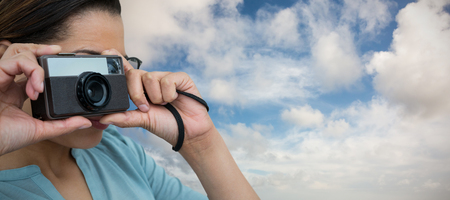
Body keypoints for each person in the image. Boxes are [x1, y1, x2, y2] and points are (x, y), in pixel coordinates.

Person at [0, 0, 259, 199]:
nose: (107, 90)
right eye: (89, 64)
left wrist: (200, 141)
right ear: (11, 60)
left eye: (114, 66)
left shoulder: (120, 153)